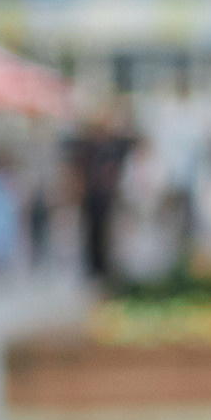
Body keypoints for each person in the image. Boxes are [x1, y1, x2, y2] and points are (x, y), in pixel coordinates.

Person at [64, 106, 137, 287]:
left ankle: (107, 267)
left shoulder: (114, 145)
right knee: (91, 232)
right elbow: (78, 170)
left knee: (109, 232)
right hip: (92, 196)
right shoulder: (88, 147)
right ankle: (93, 268)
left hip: (107, 196)